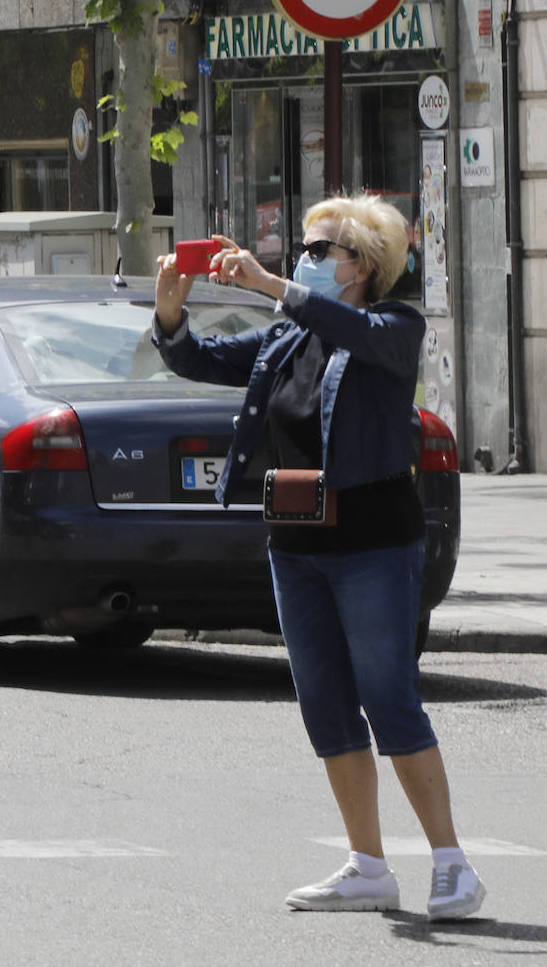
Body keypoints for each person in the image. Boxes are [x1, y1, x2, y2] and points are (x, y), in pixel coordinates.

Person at [151, 194, 485, 921]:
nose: (302, 260)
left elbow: (358, 334)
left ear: (362, 263)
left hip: (372, 543)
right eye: (300, 249)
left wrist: (274, 285)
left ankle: (453, 865)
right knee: (326, 705)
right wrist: (172, 315)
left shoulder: (394, 325)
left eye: (317, 249)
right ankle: (368, 865)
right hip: (296, 543)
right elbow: (205, 360)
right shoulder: (290, 334)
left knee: (389, 699)